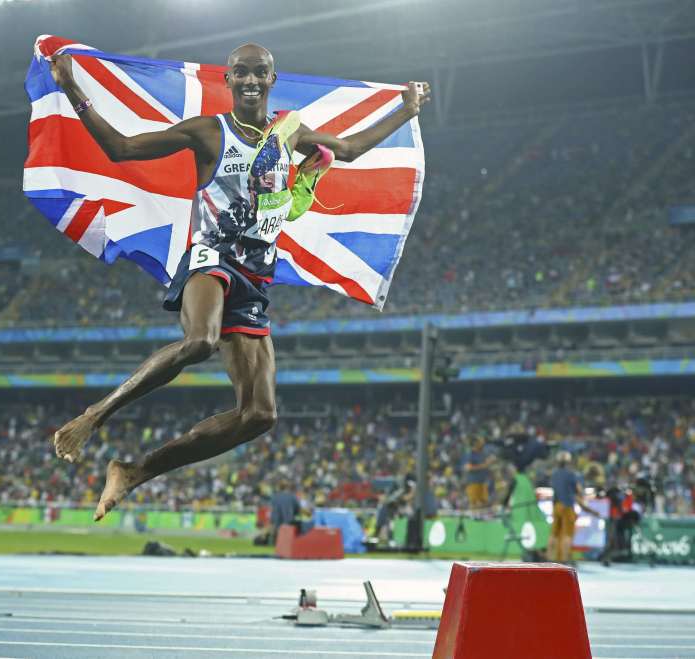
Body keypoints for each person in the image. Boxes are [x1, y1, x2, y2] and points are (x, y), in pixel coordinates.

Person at [48, 44, 431, 521]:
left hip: (254, 275)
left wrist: (404, 109)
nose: (251, 80)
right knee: (201, 341)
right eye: (241, 73)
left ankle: (133, 471)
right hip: (210, 259)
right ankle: (93, 416)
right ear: (227, 80)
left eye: (260, 73)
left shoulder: (287, 132)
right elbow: (122, 149)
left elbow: (348, 149)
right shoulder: (209, 131)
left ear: (272, 80)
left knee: (260, 415)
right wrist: (71, 88)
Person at [547, 450, 600, 565]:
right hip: (567, 506)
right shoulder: (571, 474)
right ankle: (565, 560)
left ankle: (550, 558)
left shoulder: (554, 474)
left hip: (556, 506)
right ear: (568, 461)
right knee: (567, 534)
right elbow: (578, 491)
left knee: (554, 534)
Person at [464, 437, 495, 510]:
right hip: (473, 482)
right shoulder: (470, 454)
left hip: (483, 481)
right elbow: (468, 467)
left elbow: (486, 464)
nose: (482, 444)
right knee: (474, 503)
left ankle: (481, 519)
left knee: (484, 502)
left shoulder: (482, 453)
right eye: (480, 442)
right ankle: (473, 519)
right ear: (476, 444)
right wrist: (483, 466)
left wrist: (490, 462)